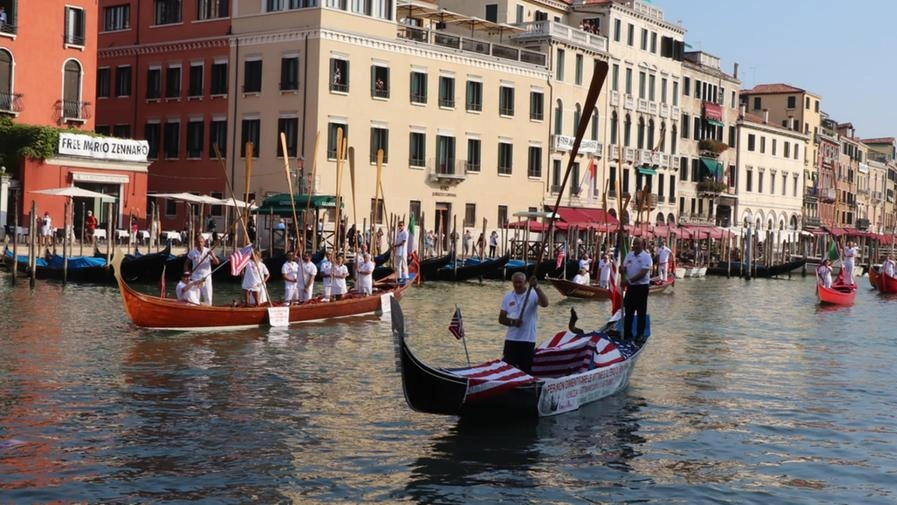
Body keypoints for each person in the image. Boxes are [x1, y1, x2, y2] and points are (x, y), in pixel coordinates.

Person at [498, 273, 549, 374]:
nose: (517, 285)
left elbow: (545, 303)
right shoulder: (508, 296)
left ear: (525, 282)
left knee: (525, 368)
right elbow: (501, 319)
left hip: (527, 339)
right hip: (511, 339)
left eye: (520, 282)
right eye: (515, 282)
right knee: (508, 369)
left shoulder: (533, 294)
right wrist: (513, 322)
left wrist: (537, 287)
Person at [622, 238, 653, 344]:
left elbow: (643, 273)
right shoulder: (629, 255)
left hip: (641, 287)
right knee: (629, 311)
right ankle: (627, 334)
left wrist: (629, 281)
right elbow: (624, 268)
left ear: (642, 245)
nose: (636, 245)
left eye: (638, 244)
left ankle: (640, 335)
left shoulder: (646, 257)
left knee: (641, 312)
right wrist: (621, 269)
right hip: (631, 288)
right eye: (634, 243)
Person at [187, 233, 220, 305]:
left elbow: (217, 262)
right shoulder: (192, 252)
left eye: (201, 242)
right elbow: (186, 264)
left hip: (206, 278)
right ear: (196, 242)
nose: (200, 244)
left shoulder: (208, 251)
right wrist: (187, 275)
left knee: (208, 299)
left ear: (204, 243)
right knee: (195, 299)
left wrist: (213, 255)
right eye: (198, 242)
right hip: (196, 278)